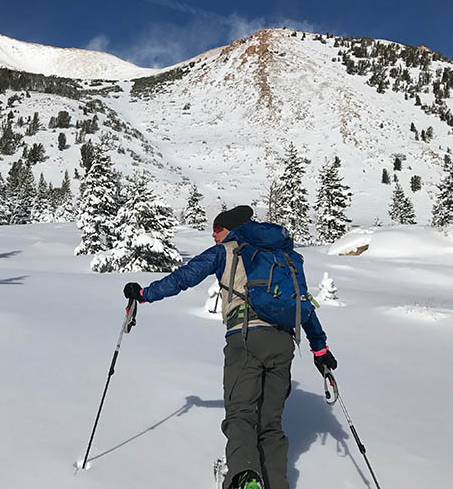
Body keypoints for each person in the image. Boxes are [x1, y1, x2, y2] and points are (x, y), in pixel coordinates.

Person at [123, 205, 337, 489]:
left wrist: (143, 294)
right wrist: (320, 349)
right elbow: (303, 304)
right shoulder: (283, 257)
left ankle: (245, 478)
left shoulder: (225, 251)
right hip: (283, 343)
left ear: (232, 229)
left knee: (241, 415)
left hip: (245, 338)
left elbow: (184, 277)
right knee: (271, 424)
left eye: (217, 229)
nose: (213, 235)